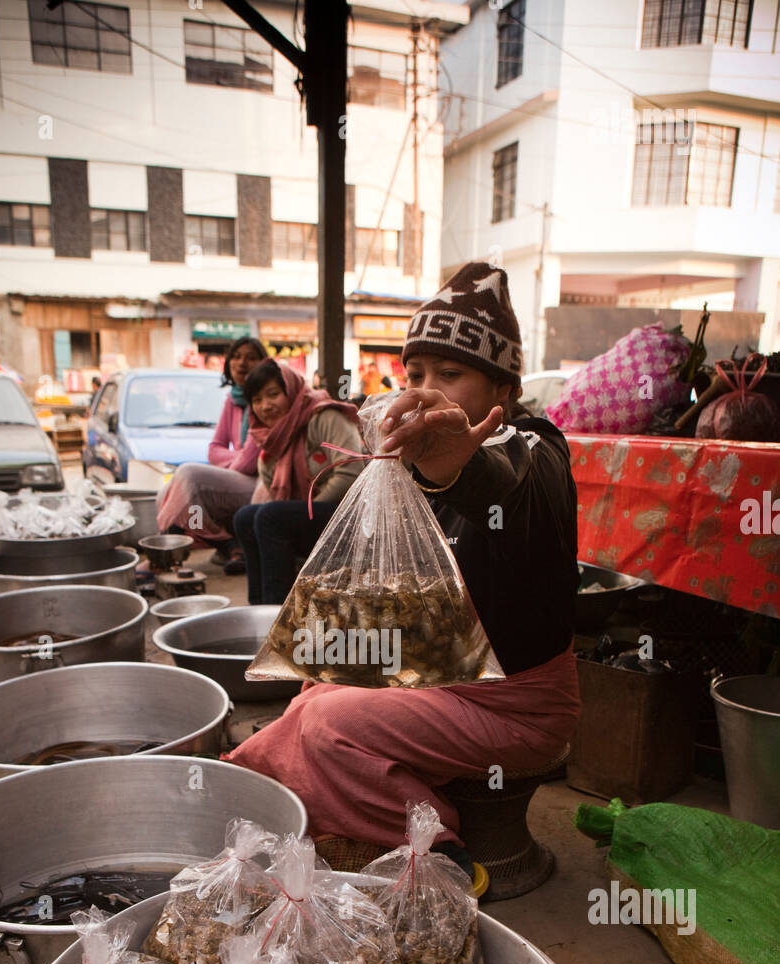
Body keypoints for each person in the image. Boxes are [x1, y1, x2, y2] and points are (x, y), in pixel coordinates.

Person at [225, 262, 581, 874]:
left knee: (331, 724)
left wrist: (459, 470)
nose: (428, 388)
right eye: (416, 373)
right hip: (452, 676)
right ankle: (254, 794)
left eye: (452, 373)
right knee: (317, 686)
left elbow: (501, 483)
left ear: (503, 389)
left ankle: (436, 851)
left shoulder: (536, 451)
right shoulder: (422, 461)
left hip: (517, 707)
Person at [232, 359, 364, 604]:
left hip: (350, 516)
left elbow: (350, 472)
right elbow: (278, 495)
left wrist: (306, 513)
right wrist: (299, 515)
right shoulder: (270, 441)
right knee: (245, 518)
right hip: (312, 516)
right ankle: (258, 608)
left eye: (273, 395)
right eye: (257, 400)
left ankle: (277, 610)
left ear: (291, 391)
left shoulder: (323, 416)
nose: (265, 406)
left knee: (271, 517)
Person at [156, 336, 267, 572]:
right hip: (239, 476)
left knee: (188, 474)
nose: (241, 363)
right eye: (236, 357)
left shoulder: (264, 399)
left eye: (251, 358)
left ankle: (214, 543)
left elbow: (250, 462)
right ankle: (217, 543)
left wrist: (231, 460)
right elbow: (214, 448)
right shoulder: (233, 399)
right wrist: (235, 458)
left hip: (262, 484)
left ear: (264, 363)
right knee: (166, 492)